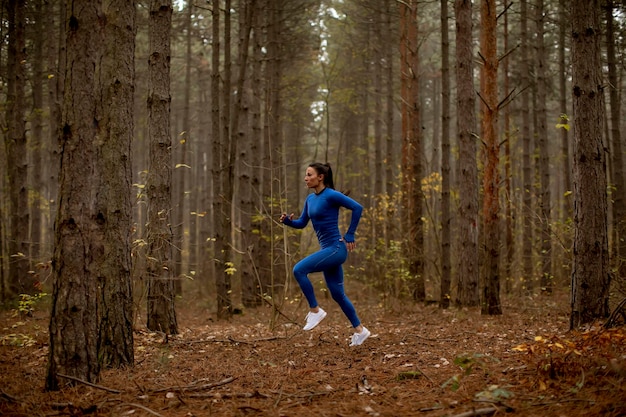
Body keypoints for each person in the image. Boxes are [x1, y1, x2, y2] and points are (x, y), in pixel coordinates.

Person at [280, 162, 370, 346]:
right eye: (305, 175)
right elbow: (302, 223)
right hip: (328, 251)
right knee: (338, 295)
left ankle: (315, 310)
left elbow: (357, 208)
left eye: (309, 174)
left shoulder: (331, 195)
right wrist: (289, 222)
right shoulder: (310, 200)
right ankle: (360, 331)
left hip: (336, 249)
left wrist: (350, 233)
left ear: (320, 177)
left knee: (299, 270)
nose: (306, 178)